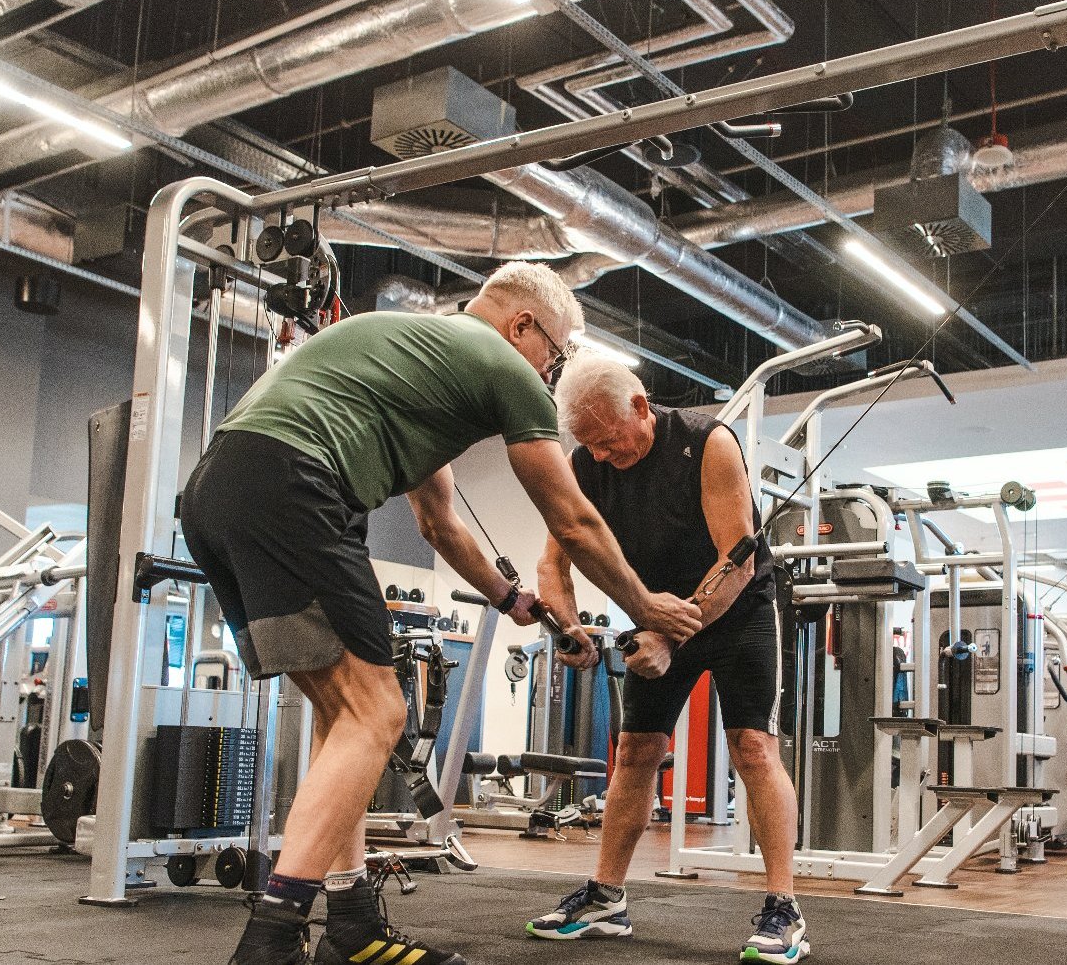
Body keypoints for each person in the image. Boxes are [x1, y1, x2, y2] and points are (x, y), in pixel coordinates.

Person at [178, 262, 701, 965]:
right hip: (294, 484)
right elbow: (573, 520)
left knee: (345, 720)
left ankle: (353, 924)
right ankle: (269, 940)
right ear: (522, 325)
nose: (551, 371)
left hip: (216, 493)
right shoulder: (500, 365)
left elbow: (441, 525)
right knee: (378, 715)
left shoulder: (416, 364)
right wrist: (644, 604)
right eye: (554, 352)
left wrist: (513, 600)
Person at [523, 354, 811, 965]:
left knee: (753, 747)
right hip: (654, 614)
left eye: (608, 439)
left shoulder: (708, 443)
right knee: (635, 750)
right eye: (589, 444)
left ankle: (784, 909)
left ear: (641, 406)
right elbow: (555, 561)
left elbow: (737, 560)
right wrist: (568, 626)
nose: (601, 455)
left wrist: (671, 639)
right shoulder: (584, 464)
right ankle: (606, 897)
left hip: (737, 610)